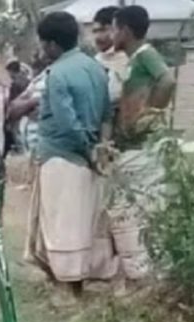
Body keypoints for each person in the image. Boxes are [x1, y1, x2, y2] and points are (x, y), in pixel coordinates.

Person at [24, 11, 117, 301]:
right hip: (90, 159)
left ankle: (66, 288)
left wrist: (87, 149)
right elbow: (107, 114)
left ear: (51, 44)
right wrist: (100, 149)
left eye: (43, 44)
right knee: (82, 222)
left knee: (61, 224)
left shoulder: (57, 74)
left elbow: (67, 122)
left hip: (62, 156)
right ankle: (75, 283)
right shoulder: (96, 69)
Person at [103, 4, 177, 285]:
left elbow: (167, 80)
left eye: (113, 28)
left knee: (145, 207)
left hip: (144, 147)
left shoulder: (146, 54)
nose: (111, 35)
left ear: (125, 30)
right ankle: (139, 274)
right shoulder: (134, 60)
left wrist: (149, 114)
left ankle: (150, 276)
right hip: (132, 147)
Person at [92, 6, 128, 106]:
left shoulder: (130, 59)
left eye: (103, 30)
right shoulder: (94, 62)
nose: (98, 37)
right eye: (95, 31)